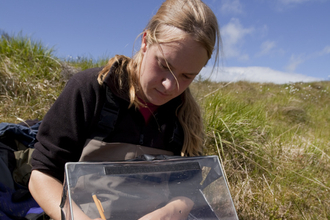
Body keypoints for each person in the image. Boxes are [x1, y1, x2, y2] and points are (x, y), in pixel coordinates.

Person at [28, 0, 221, 219]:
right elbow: (42, 175)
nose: (170, 86)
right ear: (146, 41)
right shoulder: (90, 90)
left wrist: (169, 212)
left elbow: (189, 189)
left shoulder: (184, 118)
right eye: (164, 65)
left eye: (188, 76)